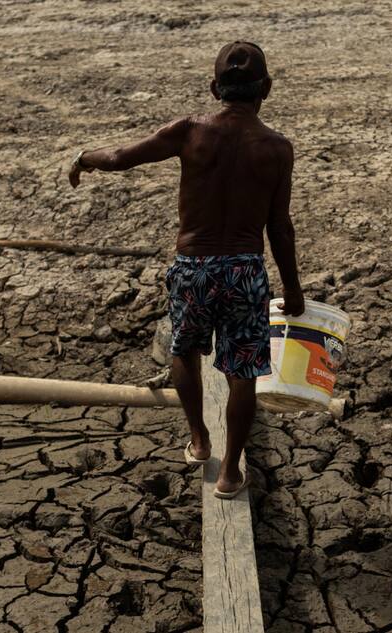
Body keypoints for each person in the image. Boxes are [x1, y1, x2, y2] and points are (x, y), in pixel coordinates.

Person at [69, 41, 304, 499]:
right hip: (243, 269)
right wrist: (292, 288)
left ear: (214, 88)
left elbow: (119, 156)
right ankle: (231, 472)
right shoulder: (277, 148)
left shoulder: (189, 131)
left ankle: (199, 439)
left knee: (185, 350)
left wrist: (83, 158)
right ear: (268, 89)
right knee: (244, 370)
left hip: (193, 265)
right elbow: (280, 226)